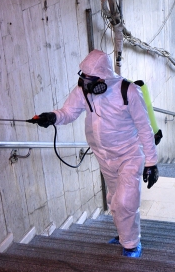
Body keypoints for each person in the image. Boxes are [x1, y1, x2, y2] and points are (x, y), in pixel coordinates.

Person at [31, 50, 158, 258]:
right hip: (104, 157)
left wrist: (151, 162)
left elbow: (145, 128)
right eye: (84, 76)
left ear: (103, 76)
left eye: (90, 78)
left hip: (129, 155)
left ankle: (131, 244)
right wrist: (52, 117)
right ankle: (123, 233)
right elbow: (69, 112)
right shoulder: (84, 90)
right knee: (114, 198)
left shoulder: (129, 91)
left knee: (126, 201)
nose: (85, 82)